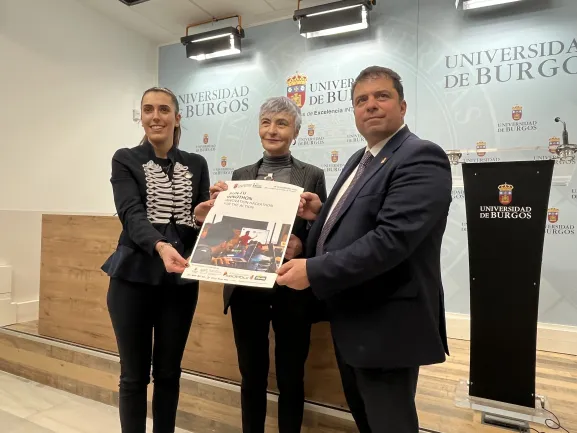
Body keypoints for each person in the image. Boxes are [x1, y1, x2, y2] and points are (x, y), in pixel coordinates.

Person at [276, 66, 452, 433]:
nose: (370, 105)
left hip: (387, 322)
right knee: (365, 418)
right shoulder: (361, 158)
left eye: (381, 96)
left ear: (402, 106)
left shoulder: (420, 156)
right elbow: (357, 221)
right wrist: (320, 214)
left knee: (389, 423)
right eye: (361, 100)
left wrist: (313, 270)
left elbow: (391, 240)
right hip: (352, 318)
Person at [210, 96, 327, 433]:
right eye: (266, 122)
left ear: (296, 132)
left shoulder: (312, 175)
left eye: (282, 124)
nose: (272, 130)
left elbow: (323, 230)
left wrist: (302, 245)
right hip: (247, 289)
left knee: (291, 376)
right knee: (251, 375)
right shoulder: (240, 176)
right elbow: (229, 234)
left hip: (292, 288)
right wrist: (216, 210)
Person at [101, 87, 213, 433]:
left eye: (164, 110)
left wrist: (205, 214)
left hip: (178, 284)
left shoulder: (197, 163)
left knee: (168, 374)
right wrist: (161, 246)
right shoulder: (125, 159)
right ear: (142, 117)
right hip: (133, 278)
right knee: (133, 376)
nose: (155, 116)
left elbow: (198, 222)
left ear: (177, 118)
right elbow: (131, 215)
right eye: (148, 109)